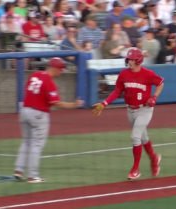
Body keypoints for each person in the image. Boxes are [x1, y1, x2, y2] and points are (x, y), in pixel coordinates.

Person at [92, 48, 163, 180]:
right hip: (130, 110)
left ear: (138, 60)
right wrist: (104, 103)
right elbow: (117, 91)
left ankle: (135, 170)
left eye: (131, 59)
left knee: (135, 137)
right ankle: (154, 158)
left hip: (145, 109)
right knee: (143, 138)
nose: (129, 61)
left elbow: (160, 83)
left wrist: (154, 97)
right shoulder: (124, 74)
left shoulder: (148, 74)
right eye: (128, 59)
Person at [14, 58, 84, 183]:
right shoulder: (49, 83)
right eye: (61, 70)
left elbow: (28, 90)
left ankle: (18, 171)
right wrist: (75, 104)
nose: (61, 72)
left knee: (26, 142)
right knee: (37, 144)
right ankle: (32, 176)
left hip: (24, 111)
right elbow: (57, 104)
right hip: (38, 114)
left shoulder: (34, 75)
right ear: (56, 69)